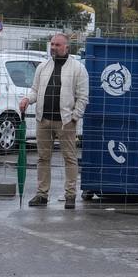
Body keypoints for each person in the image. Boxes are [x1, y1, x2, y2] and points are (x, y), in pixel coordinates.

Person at [19, 33, 89, 208]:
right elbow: (35, 90)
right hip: (43, 120)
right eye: (52, 44)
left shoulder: (78, 69)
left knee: (69, 158)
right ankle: (42, 195)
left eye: (58, 45)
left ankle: (70, 195)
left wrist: (74, 117)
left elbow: (83, 97)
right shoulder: (42, 67)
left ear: (67, 47)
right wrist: (27, 99)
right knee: (43, 158)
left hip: (65, 122)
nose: (54, 47)